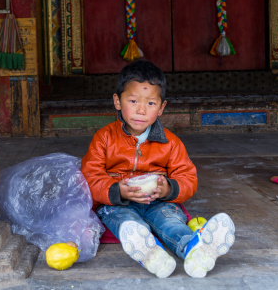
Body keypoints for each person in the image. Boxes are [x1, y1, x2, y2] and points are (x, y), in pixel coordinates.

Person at [80, 59, 235, 278]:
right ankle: (151, 253)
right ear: (117, 101)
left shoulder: (171, 143)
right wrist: (117, 190)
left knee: (170, 222)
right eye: (133, 101)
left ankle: (196, 250)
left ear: (161, 107)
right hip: (117, 203)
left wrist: (168, 189)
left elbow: (187, 177)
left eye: (151, 104)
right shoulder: (104, 139)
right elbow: (90, 175)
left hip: (158, 202)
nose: (141, 110)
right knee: (126, 223)